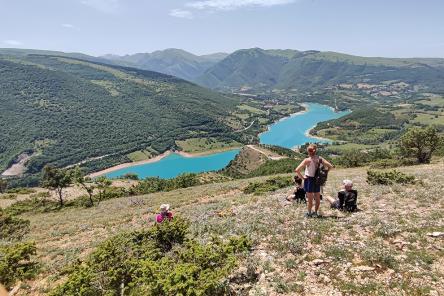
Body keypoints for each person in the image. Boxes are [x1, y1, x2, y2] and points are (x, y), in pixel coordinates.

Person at [295, 144, 334, 218]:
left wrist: (303, 178)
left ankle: (309, 213)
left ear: (308, 152)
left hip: (309, 180)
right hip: (317, 180)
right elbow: (330, 166)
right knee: (317, 198)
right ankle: (315, 213)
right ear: (315, 151)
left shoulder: (307, 160)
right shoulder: (320, 158)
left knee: (310, 199)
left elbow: (297, 170)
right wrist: (325, 173)